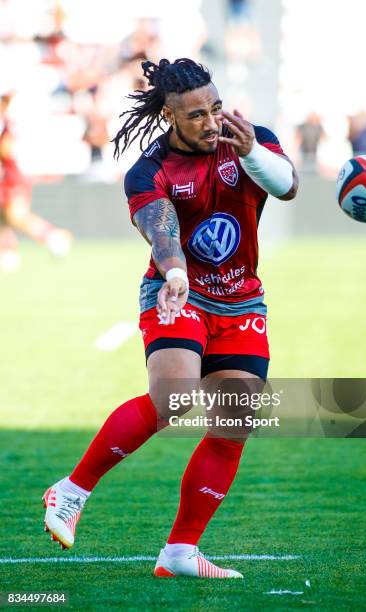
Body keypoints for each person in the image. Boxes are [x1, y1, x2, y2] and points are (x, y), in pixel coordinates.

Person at [42, 58, 298, 578]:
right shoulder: (149, 171)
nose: (211, 122)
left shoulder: (250, 140)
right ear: (169, 118)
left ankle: (179, 553)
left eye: (216, 108)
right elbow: (161, 232)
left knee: (235, 422)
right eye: (197, 115)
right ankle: (70, 492)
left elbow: (288, 185)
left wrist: (250, 150)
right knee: (172, 397)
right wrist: (175, 271)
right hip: (178, 293)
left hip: (241, 300)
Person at [0, 93, 72, 272]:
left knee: (16, 215)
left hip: (11, 176)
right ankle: (8, 252)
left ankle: (53, 237)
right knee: (5, 217)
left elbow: (7, 150)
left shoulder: (7, 124)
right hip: (9, 175)